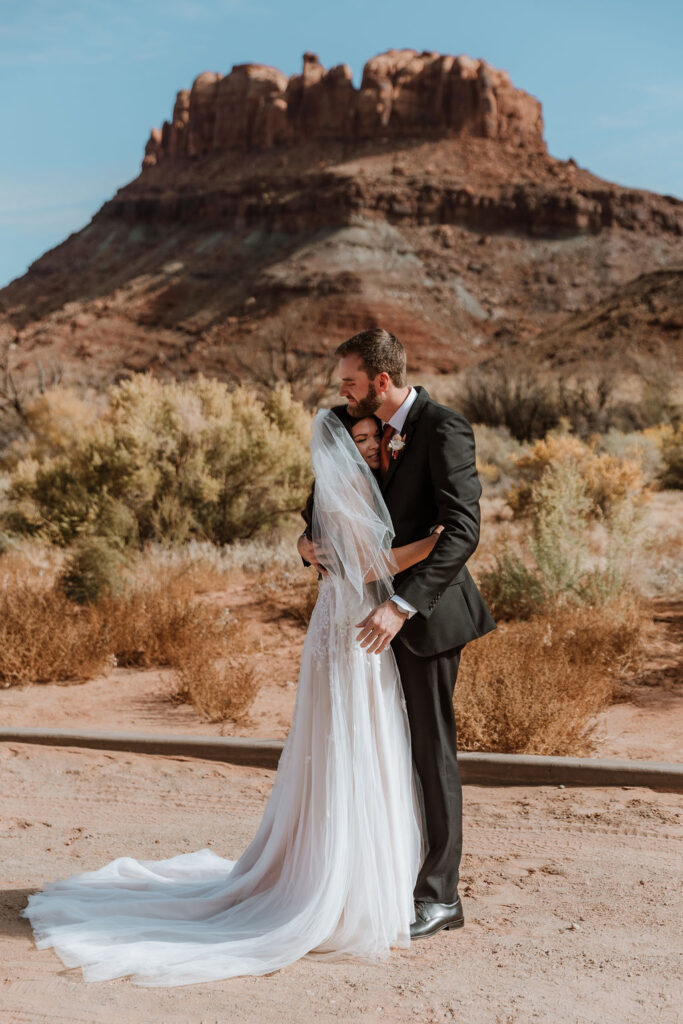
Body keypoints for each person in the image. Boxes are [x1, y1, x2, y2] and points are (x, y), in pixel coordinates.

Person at [20, 409, 443, 987]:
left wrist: (309, 543)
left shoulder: (350, 481)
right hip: (350, 626)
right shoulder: (343, 484)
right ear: (344, 446)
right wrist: (430, 545)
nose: (373, 447)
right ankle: (337, 881)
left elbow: (321, 542)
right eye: (363, 440)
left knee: (357, 741)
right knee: (346, 741)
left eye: (375, 438)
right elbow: (366, 562)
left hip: (347, 623)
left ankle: (351, 871)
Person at [299, 328, 496, 940]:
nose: (343, 390)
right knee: (382, 748)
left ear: (381, 381)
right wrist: (308, 547)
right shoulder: (353, 429)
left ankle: (440, 898)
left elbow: (461, 531)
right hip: (362, 615)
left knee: (432, 753)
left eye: (351, 380)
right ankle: (382, 875)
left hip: (425, 618)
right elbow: (324, 510)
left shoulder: (443, 427)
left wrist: (402, 605)